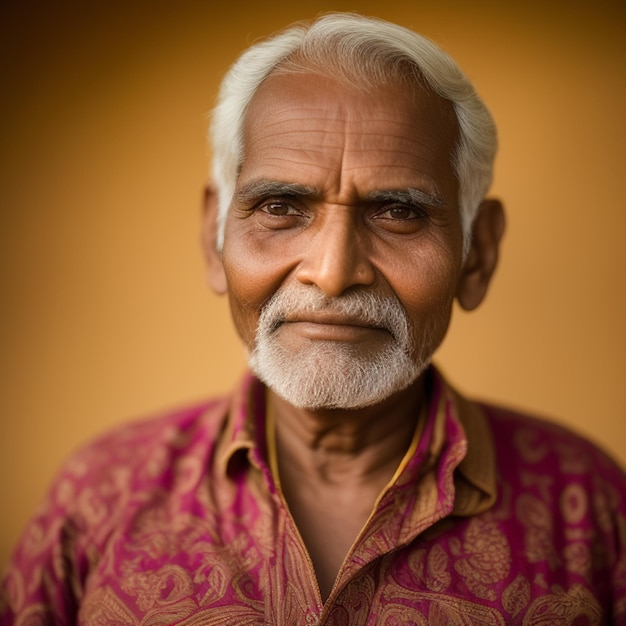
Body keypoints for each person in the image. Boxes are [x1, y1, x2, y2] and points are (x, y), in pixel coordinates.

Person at [1, 12, 625, 625]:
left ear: (478, 254)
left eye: (398, 213)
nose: (332, 271)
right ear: (213, 238)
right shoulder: (100, 494)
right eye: (280, 207)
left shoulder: (592, 511)